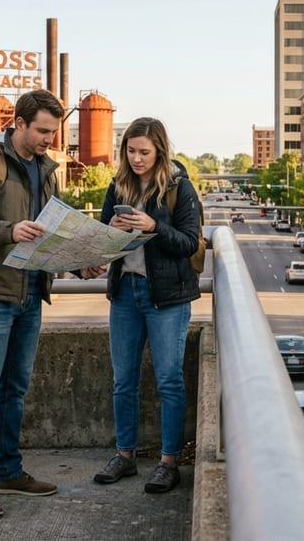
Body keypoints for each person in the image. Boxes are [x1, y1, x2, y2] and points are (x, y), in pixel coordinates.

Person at [0, 89, 105, 519]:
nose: (48, 140)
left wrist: (79, 266)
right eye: (41, 131)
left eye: (54, 132)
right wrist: (9, 230)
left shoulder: (47, 169)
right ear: (18, 123)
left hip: (30, 293)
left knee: (14, 390)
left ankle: (8, 472)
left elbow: (49, 234)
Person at [93, 117, 202, 495]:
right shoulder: (117, 185)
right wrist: (106, 240)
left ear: (159, 151)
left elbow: (190, 242)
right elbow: (105, 238)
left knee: (169, 381)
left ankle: (168, 462)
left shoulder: (179, 188)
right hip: (125, 293)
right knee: (123, 381)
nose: (137, 159)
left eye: (144, 152)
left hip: (166, 298)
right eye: (131, 151)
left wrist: (153, 226)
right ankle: (124, 456)